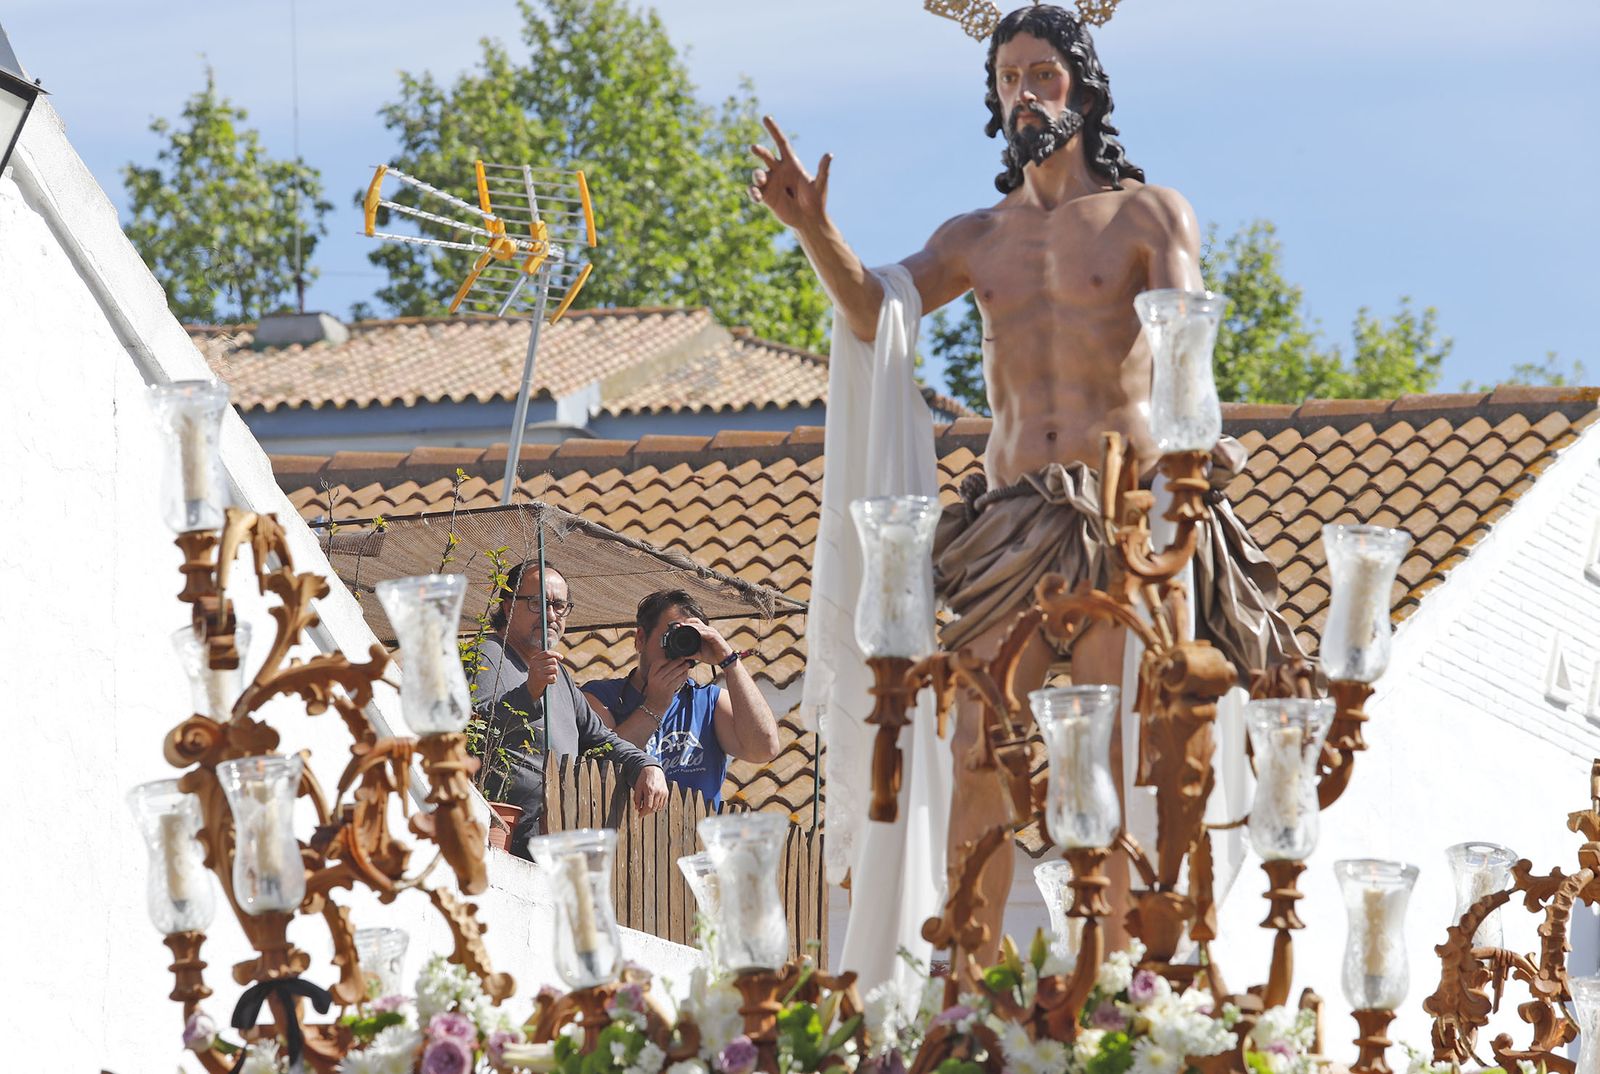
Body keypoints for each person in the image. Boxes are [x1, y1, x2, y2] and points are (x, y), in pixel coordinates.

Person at [751, 4, 1302, 960]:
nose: (1024, 94)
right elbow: (878, 311)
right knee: (976, 753)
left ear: (1083, 85)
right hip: (1009, 524)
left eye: (1042, 73)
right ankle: (968, 992)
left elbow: (1186, 346)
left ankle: (1116, 980)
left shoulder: (1148, 213)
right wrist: (814, 228)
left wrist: (1193, 462)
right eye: (1008, 79)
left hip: (1118, 518)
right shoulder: (976, 236)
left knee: (1105, 754)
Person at [470, 560, 667, 861]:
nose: (551, 616)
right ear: (508, 608)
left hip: (556, 846)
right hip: (500, 849)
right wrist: (529, 692)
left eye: (559, 606)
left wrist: (646, 764)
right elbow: (478, 731)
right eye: (538, 604)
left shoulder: (559, 675)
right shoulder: (485, 655)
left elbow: (601, 739)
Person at [582, 590, 782, 807]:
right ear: (640, 639)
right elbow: (599, 767)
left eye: (687, 639)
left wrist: (729, 661)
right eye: (670, 637)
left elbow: (765, 749)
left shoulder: (709, 702)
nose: (678, 650)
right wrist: (655, 706)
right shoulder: (599, 698)